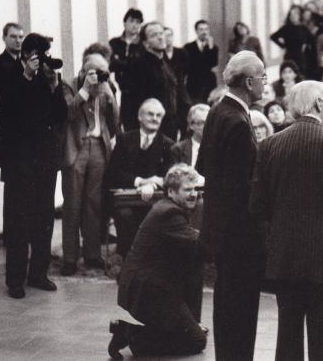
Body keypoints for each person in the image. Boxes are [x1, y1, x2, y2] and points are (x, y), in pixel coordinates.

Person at [250, 80, 323, 361]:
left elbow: (258, 206)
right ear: (319, 104)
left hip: (284, 256)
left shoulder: (269, 145)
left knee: (287, 334)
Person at [198, 51, 267, 361]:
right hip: (240, 235)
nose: (265, 83)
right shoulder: (238, 121)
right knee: (241, 309)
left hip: (220, 228)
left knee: (226, 303)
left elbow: (203, 166)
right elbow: (242, 190)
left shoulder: (217, 111)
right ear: (249, 82)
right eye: (263, 77)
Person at [108, 164, 206, 359]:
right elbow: (201, 245)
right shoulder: (169, 213)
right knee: (196, 340)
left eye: (195, 189)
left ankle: (128, 331)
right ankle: (130, 334)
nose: (194, 194)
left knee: (188, 332)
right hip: (148, 293)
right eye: (187, 190)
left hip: (150, 288)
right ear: (171, 191)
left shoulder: (168, 208)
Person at [0, 33, 68, 299]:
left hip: (45, 160)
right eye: (40, 54)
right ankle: (15, 279)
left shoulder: (49, 78)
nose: (44, 60)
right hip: (21, 161)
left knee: (44, 218)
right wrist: (27, 77)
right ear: (28, 54)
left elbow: (61, 115)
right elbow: (11, 108)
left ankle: (38, 273)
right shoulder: (10, 74)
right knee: (19, 220)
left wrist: (54, 87)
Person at [61, 54, 119, 276]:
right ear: (83, 69)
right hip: (77, 147)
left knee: (94, 203)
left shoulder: (106, 87)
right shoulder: (69, 85)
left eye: (103, 70)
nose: (98, 75)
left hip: (99, 147)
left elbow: (115, 122)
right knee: (72, 204)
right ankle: (69, 258)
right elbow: (68, 113)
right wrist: (85, 90)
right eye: (94, 70)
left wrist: (110, 95)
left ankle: (92, 254)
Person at [105, 99, 175, 259]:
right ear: (140, 117)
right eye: (150, 114)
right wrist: (140, 182)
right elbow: (113, 172)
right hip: (126, 199)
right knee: (125, 215)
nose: (155, 118)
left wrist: (154, 185)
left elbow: (169, 176)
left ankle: (150, 259)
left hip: (155, 200)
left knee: (159, 215)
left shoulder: (168, 144)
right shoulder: (124, 140)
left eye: (159, 115)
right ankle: (129, 258)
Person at [126, 21, 182, 139]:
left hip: (170, 127)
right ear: (146, 44)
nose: (160, 37)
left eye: (161, 33)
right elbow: (134, 102)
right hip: (150, 128)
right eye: (154, 35)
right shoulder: (139, 65)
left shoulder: (166, 64)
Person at [0, 22, 25, 172]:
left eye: (21, 37)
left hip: (28, 130)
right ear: (4, 38)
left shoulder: (25, 61)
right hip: (10, 130)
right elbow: (5, 94)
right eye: (13, 36)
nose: (18, 41)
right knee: (13, 181)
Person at [109, 8, 144, 132]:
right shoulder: (114, 43)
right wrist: (129, 64)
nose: (135, 25)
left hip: (139, 90)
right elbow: (111, 65)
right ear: (125, 23)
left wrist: (121, 62)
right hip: (122, 90)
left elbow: (140, 68)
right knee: (125, 124)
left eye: (138, 22)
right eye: (132, 21)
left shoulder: (143, 44)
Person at [184, 19, 219, 104]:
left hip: (209, 83)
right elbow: (189, 66)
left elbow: (213, 63)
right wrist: (204, 65)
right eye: (201, 29)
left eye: (206, 29)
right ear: (196, 31)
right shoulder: (188, 47)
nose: (205, 32)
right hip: (194, 83)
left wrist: (210, 48)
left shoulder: (213, 48)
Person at [271, 5, 310, 75]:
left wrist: (305, 46)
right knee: (289, 73)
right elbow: (273, 37)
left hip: (300, 56)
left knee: (301, 74)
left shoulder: (303, 28)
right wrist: (283, 46)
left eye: (296, 15)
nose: (293, 17)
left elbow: (310, 39)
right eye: (291, 15)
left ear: (299, 16)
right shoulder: (286, 28)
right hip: (289, 55)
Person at [171, 104, 210, 168]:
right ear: (191, 125)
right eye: (201, 123)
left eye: (209, 122)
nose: (206, 126)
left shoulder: (217, 149)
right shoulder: (178, 149)